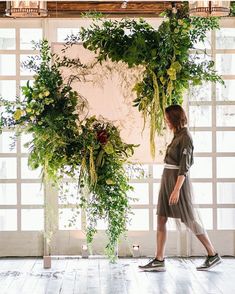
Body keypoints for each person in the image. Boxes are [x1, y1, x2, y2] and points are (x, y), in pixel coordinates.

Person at [139, 105, 221, 272]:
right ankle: (159, 259)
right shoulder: (177, 134)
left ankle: (212, 254)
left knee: (188, 218)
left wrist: (176, 190)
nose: (166, 121)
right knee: (161, 218)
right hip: (167, 179)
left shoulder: (186, 137)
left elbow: (184, 167)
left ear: (175, 118)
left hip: (177, 182)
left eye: (168, 119)